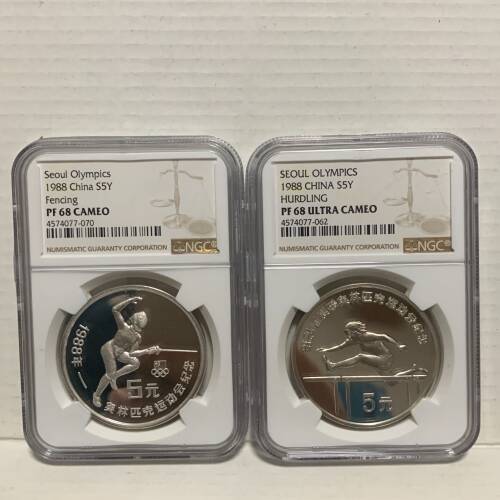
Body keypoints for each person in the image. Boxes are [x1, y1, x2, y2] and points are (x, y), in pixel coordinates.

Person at [92, 296, 160, 407]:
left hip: (120, 352)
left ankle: (115, 376)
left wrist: (148, 351)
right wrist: (129, 300)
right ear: (135, 319)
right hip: (109, 348)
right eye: (141, 317)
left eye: (144, 318)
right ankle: (97, 395)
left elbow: (132, 353)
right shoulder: (123, 326)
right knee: (110, 373)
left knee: (135, 362)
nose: (143, 317)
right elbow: (115, 310)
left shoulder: (137, 337)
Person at [317, 320, 406, 373]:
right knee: (361, 358)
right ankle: (333, 366)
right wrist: (326, 350)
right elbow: (340, 347)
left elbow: (384, 336)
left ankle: (333, 366)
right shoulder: (353, 340)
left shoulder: (367, 336)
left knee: (360, 357)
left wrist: (398, 345)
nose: (347, 335)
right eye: (346, 333)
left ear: (355, 331)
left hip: (386, 359)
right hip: (378, 363)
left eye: (348, 332)